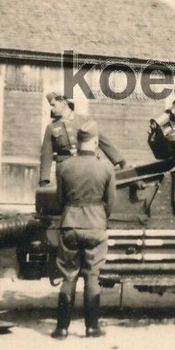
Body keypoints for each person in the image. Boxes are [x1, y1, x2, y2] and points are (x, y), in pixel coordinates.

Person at [51, 125, 117, 339]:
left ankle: (61, 329)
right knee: (92, 276)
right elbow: (111, 203)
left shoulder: (64, 166)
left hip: (70, 222)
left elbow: (60, 200)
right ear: (96, 141)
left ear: (77, 142)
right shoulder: (106, 167)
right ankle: (92, 328)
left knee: (69, 277)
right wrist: (97, 216)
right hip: (96, 225)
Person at [38, 91, 126, 186]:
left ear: (63, 103)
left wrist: (121, 162)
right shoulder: (52, 127)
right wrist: (44, 179)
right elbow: (46, 155)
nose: (51, 108)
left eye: (53, 105)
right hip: (64, 170)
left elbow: (103, 141)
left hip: (86, 167)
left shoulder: (84, 120)